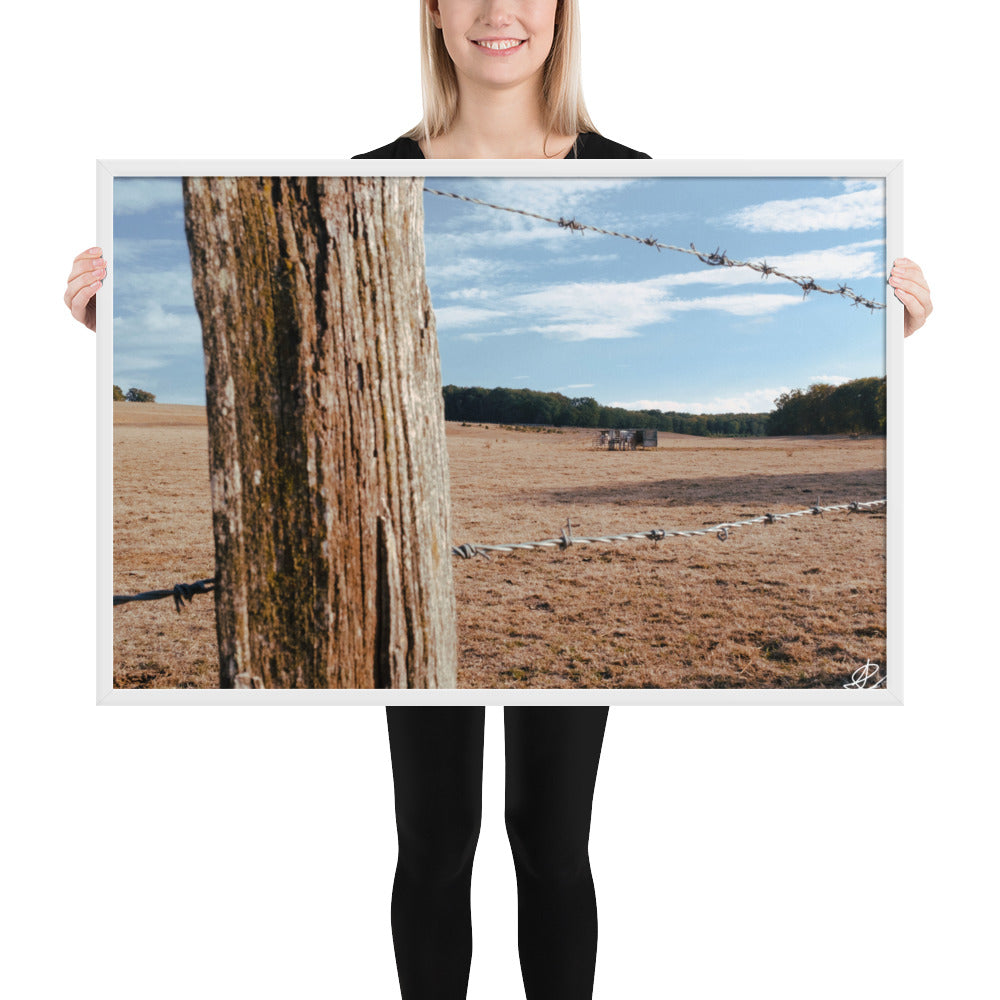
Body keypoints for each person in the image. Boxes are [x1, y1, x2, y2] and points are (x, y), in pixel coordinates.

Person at [64, 3, 933, 998]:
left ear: (565, 13)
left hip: (482, 575)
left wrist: (885, 348)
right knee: (434, 843)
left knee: (552, 841)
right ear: (429, 13)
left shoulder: (640, 174)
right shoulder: (349, 181)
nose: (495, 12)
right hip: (384, 559)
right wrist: (118, 331)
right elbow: (281, 348)